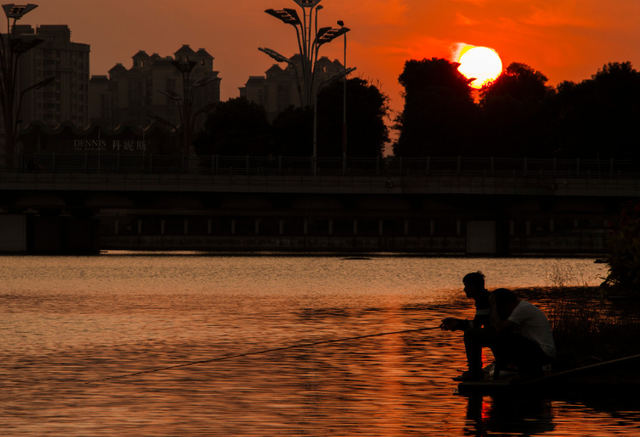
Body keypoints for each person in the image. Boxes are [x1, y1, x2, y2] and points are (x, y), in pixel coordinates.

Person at [489, 288, 556, 380]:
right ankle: (516, 367)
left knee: (507, 338)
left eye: (501, 309)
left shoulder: (521, 309)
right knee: (508, 337)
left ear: (508, 304)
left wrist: (494, 307)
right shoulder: (521, 307)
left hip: (544, 353)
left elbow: (500, 328)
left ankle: (522, 371)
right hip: (539, 350)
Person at [440, 271, 495, 381]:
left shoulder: (483, 300)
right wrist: (455, 321)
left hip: (501, 335)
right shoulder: (484, 297)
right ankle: (475, 369)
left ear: (473, 286)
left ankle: (475, 371)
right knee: (472, 332)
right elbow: (477, 322)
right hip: (498, 333)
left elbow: (476, 325)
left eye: (466, 286)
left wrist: (457, 325)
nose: (464, 289)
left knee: (470, 334)